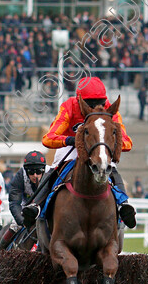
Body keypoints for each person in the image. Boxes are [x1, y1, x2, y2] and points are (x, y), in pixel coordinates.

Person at [22, 76, 136, 229]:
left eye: (100, 103)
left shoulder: (109, 109)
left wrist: (107, 143)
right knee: (55, 169)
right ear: (79, 101)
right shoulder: (68, 106)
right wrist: (72, 140)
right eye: (91, 104)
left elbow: (128, 142)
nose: (96, 107)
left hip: (98, 148)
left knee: (111, 167)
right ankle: (36, 206)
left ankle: (123, 205)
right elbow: (48, 138)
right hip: (71, 148)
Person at [0, 151, 47, 249]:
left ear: (44, 169)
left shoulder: (50, 174)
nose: (35, 175)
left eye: (39, 171)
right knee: (14, 226)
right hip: (25, 208)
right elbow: (14, 202)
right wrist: (21, 220)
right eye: (31, 172)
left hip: (45, 208)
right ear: (26, 170)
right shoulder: (19, 176)